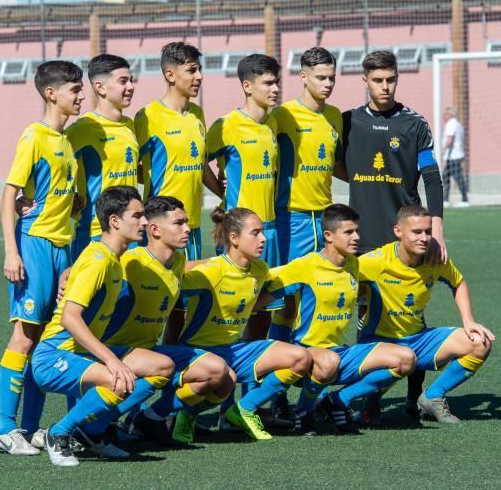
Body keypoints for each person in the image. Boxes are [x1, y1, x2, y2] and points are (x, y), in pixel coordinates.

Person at [337, 50, 446, 422]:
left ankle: (415, 399)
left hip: (406, 242)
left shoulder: (414, 124)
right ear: (364, 80)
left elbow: (431, 177)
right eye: (378, 80)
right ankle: (370, 401)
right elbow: (337, 164)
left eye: (391, 80)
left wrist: (436, 228)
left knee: (411, 318)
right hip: (363, 239)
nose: (385, 86)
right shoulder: (348, 122)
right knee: (368, 322)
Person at [31, 186, 174, 466]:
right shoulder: (98, 260)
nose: (145, 222)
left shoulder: (114, 259)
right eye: (138, 215)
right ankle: (57, 433)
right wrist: (112, 360)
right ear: (115, 221)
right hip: (53, 356)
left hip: (83, 354)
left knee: (163, 366)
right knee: (118, 380)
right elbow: (69, 318)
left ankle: (92, 433)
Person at [258, 204, 416, 436]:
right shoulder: (305, 266)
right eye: (349, 232)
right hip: (306, 356)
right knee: (329, 361)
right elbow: (263, 289)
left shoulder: (354, 264)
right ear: (328, 236)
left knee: (405, 359)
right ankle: (304, 411)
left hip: (340, 354)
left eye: (357, 231)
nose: (356, 237)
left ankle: (336, 400)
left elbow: (390, 261)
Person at [0, 61, 82, 455]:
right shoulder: (35, 136)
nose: (81, 96)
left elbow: (63, 196)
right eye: (75, 89)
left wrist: (74, 204)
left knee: (49, 339)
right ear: (52, 93)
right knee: (25, 336)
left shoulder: (66, 142)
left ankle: (29, 429)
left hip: (62, 248)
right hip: (35, 246)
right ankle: (5, 427)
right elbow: (9, 194)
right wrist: (12, 251)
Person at [98, 196, 235, 446]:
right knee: (165, 366)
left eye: (187, 223)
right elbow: (93, 265)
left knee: (222, 375)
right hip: (115, 353)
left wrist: (229, 263)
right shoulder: (133, 260)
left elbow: (189, 268)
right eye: (179, 223)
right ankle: (96, 423)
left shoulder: (178, 261)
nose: (187, 229)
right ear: (155, 230)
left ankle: (149, 418)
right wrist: (67, 274)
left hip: (151, 352)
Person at [166, 207, 312, 441]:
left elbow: (258, 298)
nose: (263, 238)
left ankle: (242, 409)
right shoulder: (210, 272)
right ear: (233, 238)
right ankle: (184, 415)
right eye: (255, 233)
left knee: (300, 358)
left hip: (234, 351)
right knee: (225, 377)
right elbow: (168, 281)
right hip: (198, 354)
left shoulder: (260, 270)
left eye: (262, 232)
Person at [357, 204, 494, 424]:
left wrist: (468, 321)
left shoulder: (434, 258)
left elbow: (458, 283)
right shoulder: (376, 261)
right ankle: (370, 402)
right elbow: (339, 276)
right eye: (416, 232)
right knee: (389, 366)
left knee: (480, 343)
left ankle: (432, 396)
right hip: (380, 345)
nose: (424, 238)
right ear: (398, 232)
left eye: (428, 232)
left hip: (418, 340)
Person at [203, 54, 282, 422]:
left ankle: (247, 404)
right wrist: (217, 190)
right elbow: (195, 160)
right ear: (247, 86)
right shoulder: (227, 125)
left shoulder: (271, 127)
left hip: (266, 233)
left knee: (261, 317)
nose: (276, 89)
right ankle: (215, 402)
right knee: (227, 320)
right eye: (268, 83)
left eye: (276, 82)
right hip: (236, 237)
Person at [267, 46, 344, 419]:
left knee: (319, 301)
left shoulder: (334, 118)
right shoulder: (282, 116)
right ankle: (273, 392)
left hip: (325, 220)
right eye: (321, 77)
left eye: (332, 77)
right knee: (285, 304)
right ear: (303, 77)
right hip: (291, 219)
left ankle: (311, 387)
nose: (328, 84)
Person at [135, 42, 220, 260]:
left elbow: (199, 165)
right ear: (170, 75)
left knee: (188, 290)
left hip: (192, 225)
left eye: (199, 69)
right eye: (192, 70)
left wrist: (225, 195)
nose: (199, 76)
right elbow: (128, 166)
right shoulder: (148, 116)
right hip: (161, 228)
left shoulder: (197, 114)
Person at [67, 54, 140, 260]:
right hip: (96, 233)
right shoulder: (83, 129)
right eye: (123, 81)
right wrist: (24, 198)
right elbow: (50, 164)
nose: (131, 87)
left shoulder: (129, 125)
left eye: (131, 80)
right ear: (100, 87)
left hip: (131, 232)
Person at [441, 106, 469, 208]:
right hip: (455, 155)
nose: (444, 116)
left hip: (453, 156)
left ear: (449, 115)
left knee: (458, 177)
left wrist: (442, 151)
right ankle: (445, 200)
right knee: (446, 177)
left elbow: (450, 139)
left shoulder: (451, 124)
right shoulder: (458, 124)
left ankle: (465, 199)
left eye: (445, 114)